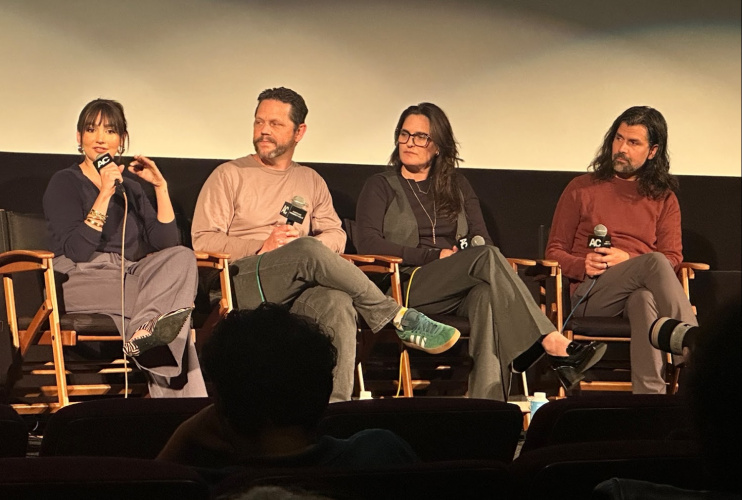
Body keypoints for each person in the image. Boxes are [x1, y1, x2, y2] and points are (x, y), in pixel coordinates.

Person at [191, 87, 459, 403]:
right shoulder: (229, 175)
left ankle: (337, 407)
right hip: (241, 281)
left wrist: (308, 248)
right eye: (259, 122)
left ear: (299, 131)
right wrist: (261, 245)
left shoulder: (311, 180)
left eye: (275, 124)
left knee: (337, 302)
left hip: (296, 286)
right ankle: (397, 317)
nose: (264, 130)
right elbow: (202, 240)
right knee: (306, 250)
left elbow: (335, 234)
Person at [354, 102, 606, 401]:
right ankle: (549, 342)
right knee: (486, 258)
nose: (410, 143)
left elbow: (481, 240)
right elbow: (368, 243)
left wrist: (462, 255)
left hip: (458, 285)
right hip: (408, 284)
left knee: (487, 296)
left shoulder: (456, 185)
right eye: (404, 134)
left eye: (420, 137)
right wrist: (433, 256)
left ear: (437, 146)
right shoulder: (381, 186)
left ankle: (488, 404)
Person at [42, 98, 206, 397]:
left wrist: (160, 188)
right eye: (91, 130)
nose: (100, 138)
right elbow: (77, 250)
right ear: (79, 138)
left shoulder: (130, 188)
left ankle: (146, 333)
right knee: (175, 314)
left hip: (129, 274)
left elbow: (166, 244)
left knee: (183, 257)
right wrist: (104, 193)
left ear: (121, 140)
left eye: (110, 131)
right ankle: (184, 410)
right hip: (79, 277)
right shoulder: (64, 182)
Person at [546, 105, 697, 394]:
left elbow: (674, 258)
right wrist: (582, 265)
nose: (621, 148)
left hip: (642, 294)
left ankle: (650, 399)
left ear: (652, 151)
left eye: (633, 142)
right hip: (592, 293)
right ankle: (695, 352)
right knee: (652, 263)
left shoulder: (663, 198)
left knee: (643, 299)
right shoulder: (581, 188)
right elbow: (554, 252)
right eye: (618, 139)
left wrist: (628, 259)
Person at [157, 304, 419, 469]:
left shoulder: (211, 484)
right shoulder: (380, 452)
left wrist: (182, 438)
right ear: (326, 388)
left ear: (222, 405)